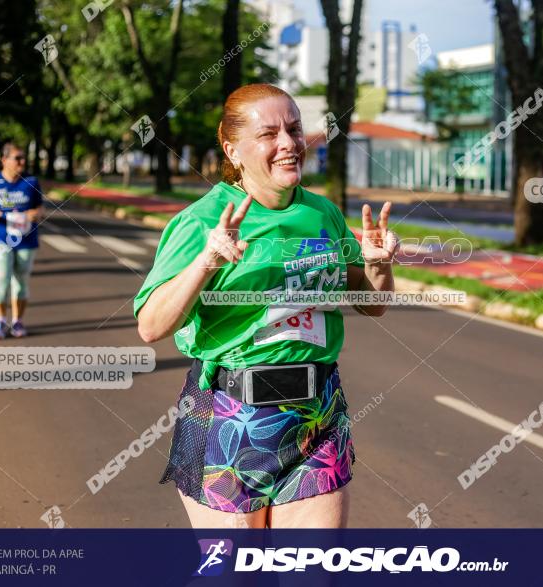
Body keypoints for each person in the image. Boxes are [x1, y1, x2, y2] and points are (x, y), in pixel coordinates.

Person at [135, 84, 398, 529]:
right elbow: (151, 326)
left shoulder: (323, 214)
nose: (288, 144)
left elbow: (372, 304)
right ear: (231, 147)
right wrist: (207, 260)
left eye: (294, 129)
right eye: (269, 134)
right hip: (229, 416)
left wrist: (377, 267)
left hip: (317, 416)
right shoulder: (201, 220)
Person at [0, 143, 43, 339]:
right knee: (1, 281)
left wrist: (35, 214)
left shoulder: (31, 181)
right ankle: (0, 321)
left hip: (27, 240)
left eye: (23, 158)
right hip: (2, 240)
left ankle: (17, 321)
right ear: (4, 160)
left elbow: (41, 208)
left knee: (21, 283)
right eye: (18, 158)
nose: (22, 162)